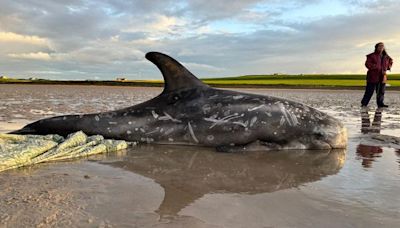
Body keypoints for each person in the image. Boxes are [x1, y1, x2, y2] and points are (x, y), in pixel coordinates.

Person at [361, 42, 393, 108]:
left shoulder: (386, 57)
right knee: (369, 91)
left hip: (383, 76)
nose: (381, 47)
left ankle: (380, 104)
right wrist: (376, 67)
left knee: (381, 92)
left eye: (382, 46)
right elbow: (367, 64)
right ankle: (364, 104)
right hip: (373, 76)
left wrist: (388, 67)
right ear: (376, 47)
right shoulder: (371, 56)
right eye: (380, 46)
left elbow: (391, 61)